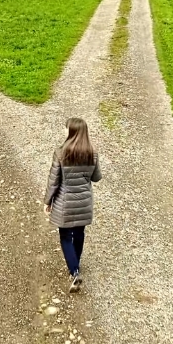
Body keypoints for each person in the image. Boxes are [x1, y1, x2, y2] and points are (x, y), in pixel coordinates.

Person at [43, 117, 102, 293]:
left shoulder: (61, 153)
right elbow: (96, 177)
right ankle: (76, 263)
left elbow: (54, 180)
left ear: (71, 132)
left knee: (65, 236)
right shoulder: (92, 153)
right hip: (84, 202)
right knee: (79, 233)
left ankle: (74, 271)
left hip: (65, 202)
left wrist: (47, 201)